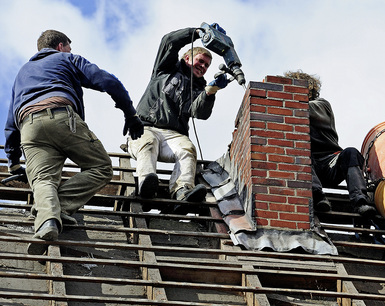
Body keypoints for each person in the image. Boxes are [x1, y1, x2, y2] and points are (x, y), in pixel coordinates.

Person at [4, 29, 144, 255]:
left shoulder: (23, 72)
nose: (71, 50)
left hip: (28, 127)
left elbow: (10, 121)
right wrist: (130, 114)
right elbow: (107, 81)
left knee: (42, 179)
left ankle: (48, 218)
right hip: (61, 116)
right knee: (101, 167)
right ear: (60, 46)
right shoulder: (67, 58)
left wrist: (14, 162)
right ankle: (58, 208)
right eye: (69, 46)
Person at [127, 24, 229, 212]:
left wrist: (210, 91)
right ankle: (146, 186)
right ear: (187, 57)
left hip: (174, 135)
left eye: (207, 65)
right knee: (148, 143)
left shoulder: (198, 87)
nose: (204, 67)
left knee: (187, 148)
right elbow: (169, 42)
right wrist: (198, 33)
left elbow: (201, 113)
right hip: (146, 127)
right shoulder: (165, 68)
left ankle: (182, 191)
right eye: (200, 61)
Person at [284, 70, 377, 218]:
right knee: (302, 152)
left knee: (350, 152)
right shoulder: (286, 113)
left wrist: (280, 99)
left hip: (330, 163)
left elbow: (305, 110)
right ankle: (319, 197)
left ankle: (360, 202)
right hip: (308, 166)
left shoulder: (321, 105)